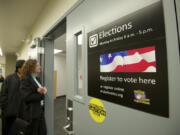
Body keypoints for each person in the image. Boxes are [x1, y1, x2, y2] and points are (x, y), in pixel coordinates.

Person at [20, 59, 47, 135]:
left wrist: (41, 90)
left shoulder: (37, 78)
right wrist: (42, 94)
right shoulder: (25, 80)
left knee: (43, 132)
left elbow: (35, 90)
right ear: (31, 67)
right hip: (32, 113)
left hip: (40, 110)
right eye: (37, 65)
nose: (40, 66)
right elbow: (27, 97)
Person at [0, 60, 25, 135]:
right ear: (19, 68)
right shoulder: (9, 78)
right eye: (24, 67)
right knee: (7, 131)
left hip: (20, 114)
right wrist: (5, 108)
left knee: (17, 132)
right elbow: (3, 95)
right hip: (8, 113)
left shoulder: (26, 79)